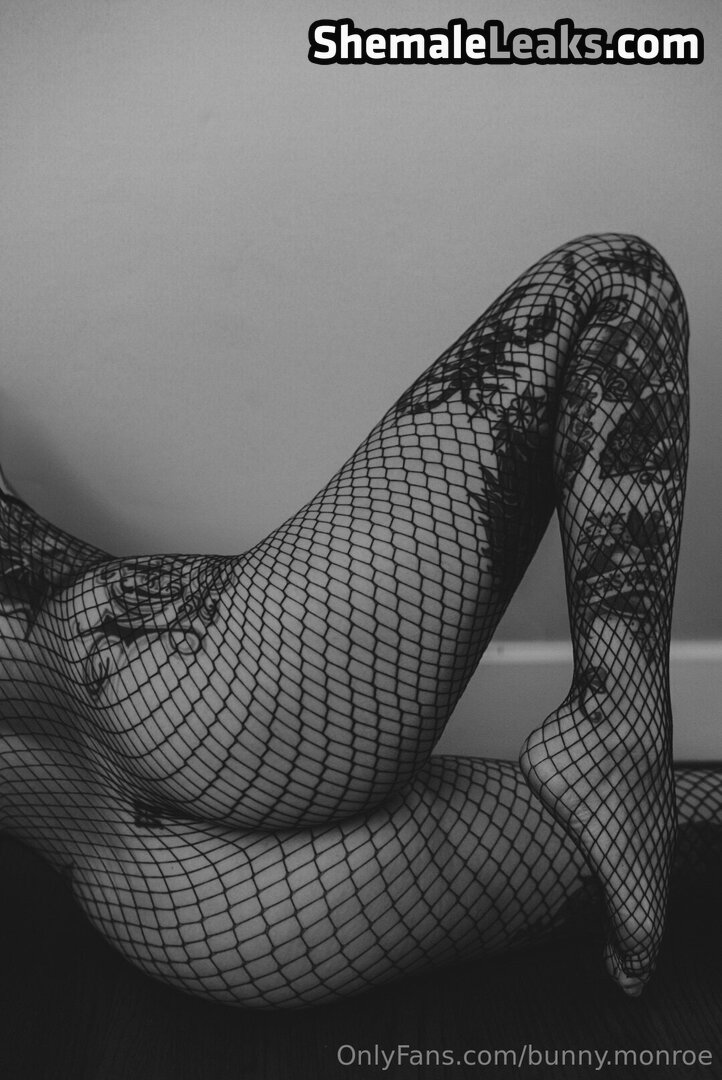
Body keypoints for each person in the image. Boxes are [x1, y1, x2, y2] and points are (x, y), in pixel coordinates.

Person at [0, 233, 695, 1006]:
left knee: (629, 843)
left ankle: (626, 766)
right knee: (616, 280)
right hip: (167, 681)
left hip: (179, 906)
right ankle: (618, 725)